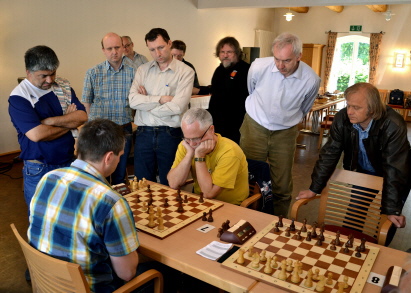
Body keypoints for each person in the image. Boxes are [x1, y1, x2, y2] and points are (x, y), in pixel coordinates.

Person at [297, 83, 410, 231]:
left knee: (385, 226)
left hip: (394, 174)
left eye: (356, 107)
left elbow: (394, 168)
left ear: (372, 108)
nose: (349, 111)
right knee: (353, 218)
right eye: (348, 105)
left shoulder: (393, 124)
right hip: (363, 172)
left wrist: (392, 209)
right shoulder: (342, 118)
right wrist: (314, 188)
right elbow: (329, 153)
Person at [240, 32, 320, 217]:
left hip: (285, 132)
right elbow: (251, 90)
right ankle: (247, 216)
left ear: (299, 56)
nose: (280, 65)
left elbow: (305, 107)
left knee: (282, 184)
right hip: (255, 125)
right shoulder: (259, 66)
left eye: (287, 61)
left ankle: (278, 224)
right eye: (277, 59)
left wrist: (284, 120)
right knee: (248, 177)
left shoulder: (311, 79)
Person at [8, 45, 87, 210]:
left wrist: (50, 121)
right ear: (28, 72)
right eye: (43, 76)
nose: (50, 80)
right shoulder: (19, 98)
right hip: (39, 168)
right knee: (41, 219)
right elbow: (37, 135)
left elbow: (82, 116)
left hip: (67, 161)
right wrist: (68, 121)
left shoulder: (63, 86)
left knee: (69, 215)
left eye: (53, 74)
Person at [129, 28, 194, 185]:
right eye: (152, 49)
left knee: (170, 184)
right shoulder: (142, 70)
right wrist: (162, 99)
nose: (157, 53)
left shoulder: (185, 72)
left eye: (160, 47)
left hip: (170, 134)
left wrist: (146, 103)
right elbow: (132, 101)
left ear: (169, 43)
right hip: (143, 133)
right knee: (142, 185)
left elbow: (178, 107)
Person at [82, 32, 135, 185]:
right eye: (109, 48)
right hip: (99, 131)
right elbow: (86, 104)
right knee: (98, 175)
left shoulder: (134, 72)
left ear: (123, 48)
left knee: (119, 175)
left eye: (117, 47)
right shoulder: (93, 73)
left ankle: (117, 207)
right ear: (103, 50)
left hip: (123, 129)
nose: (114, 52)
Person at [167, 108, 249, 205]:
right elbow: (173, 183)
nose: (192, 144)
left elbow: (208, 193)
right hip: (201, 201)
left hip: (232, 206)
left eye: (196, 138)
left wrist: (199, 157)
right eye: (187, 138)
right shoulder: (186, 145)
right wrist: (189, 154)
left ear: (211, 130)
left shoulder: (230, 152)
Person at [207, 37, 250, 144]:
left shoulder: (246, 69)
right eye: (222, 52)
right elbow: (216, 90)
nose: (225, 55)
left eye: (229, 52)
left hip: (236, 123)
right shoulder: (219, 70)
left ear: (237, 53)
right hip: (217, 122)